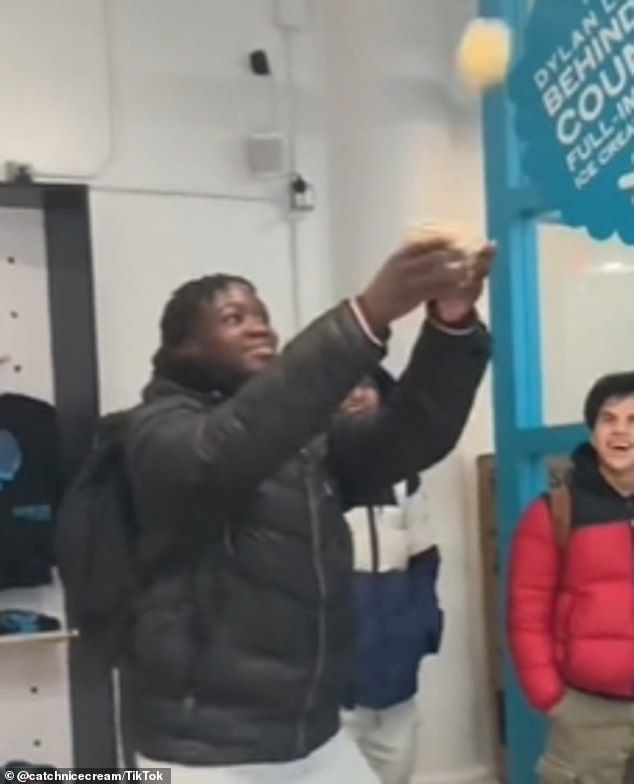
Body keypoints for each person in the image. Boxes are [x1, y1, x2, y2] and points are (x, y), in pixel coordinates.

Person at [120, 234, 493, 783]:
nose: (259, 327)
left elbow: (408, 437)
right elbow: (230, 447)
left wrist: (451, 323)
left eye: (263, 315)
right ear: (184, 349)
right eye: (233, 317)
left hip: (311, 736)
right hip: (202, 751)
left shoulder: (304, 440)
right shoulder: (157, 433)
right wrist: (368, 315)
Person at [507, 372, 634, 784]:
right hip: (586, 715)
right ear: (593, 432)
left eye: (633, 421)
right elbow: (526, 614)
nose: (620, 432)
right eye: (608, 419)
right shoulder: (554, 512)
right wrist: (550, 696)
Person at [338, 372, 442, 784]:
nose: (356, 395)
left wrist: (420, 631)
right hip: (333, 692)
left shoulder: (404, 478)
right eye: (346, 386)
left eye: (367, 386)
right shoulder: (307, 477)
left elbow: (425, 562)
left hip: (396, 681)